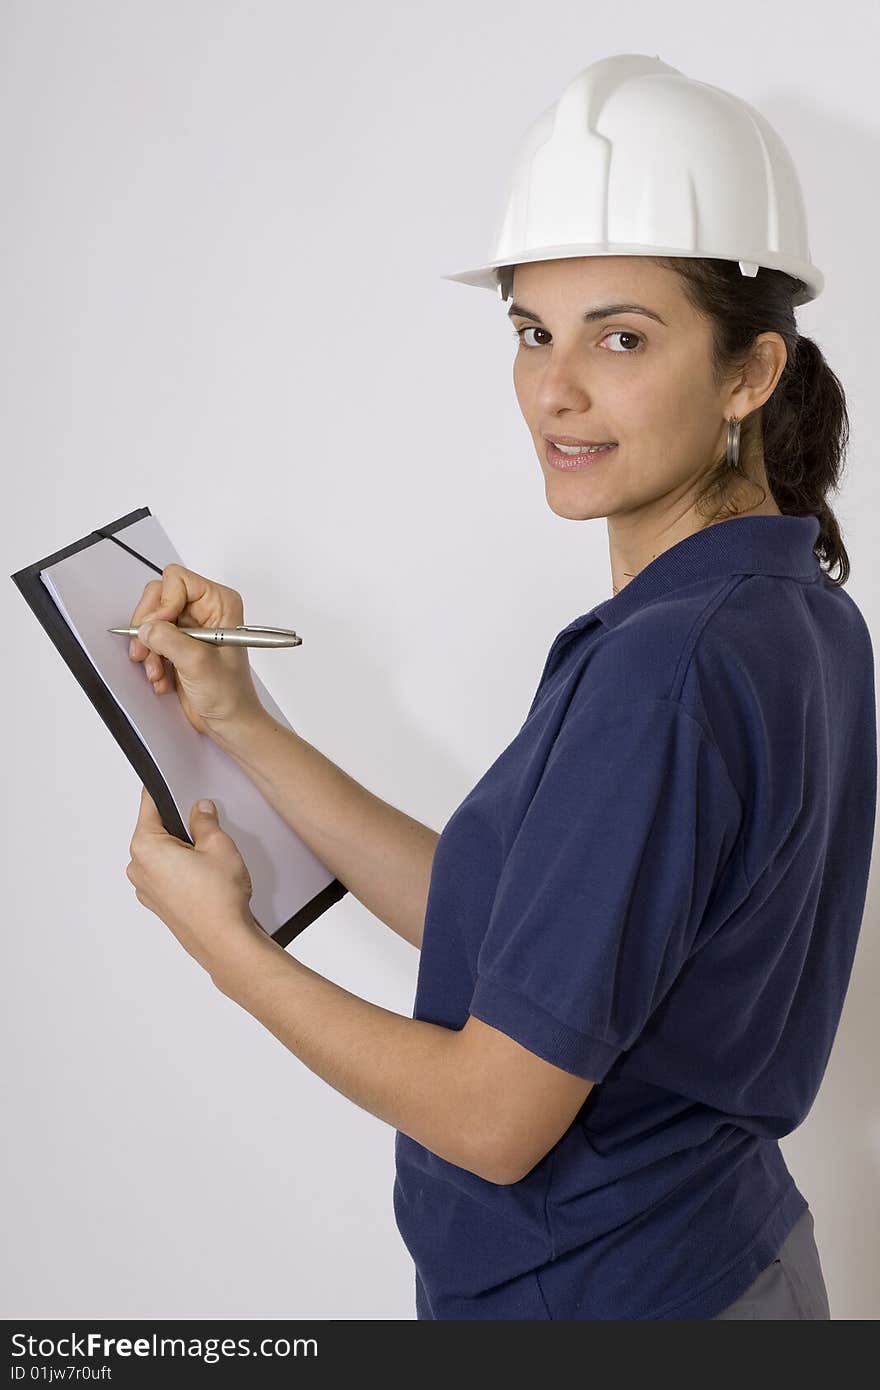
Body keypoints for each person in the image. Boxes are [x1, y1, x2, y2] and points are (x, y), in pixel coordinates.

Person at [124, 55, 876, 1319]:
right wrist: (243, 726)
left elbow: (493, 1117)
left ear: (750, 373)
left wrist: (220, 945)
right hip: (725, 1264)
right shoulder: (789, 610)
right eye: (532, 332)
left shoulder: (668, 668)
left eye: (620, 337)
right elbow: (528, 937)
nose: (553, 389)